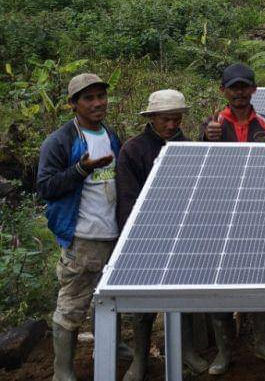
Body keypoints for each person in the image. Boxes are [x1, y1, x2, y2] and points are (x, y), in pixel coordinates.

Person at [116, 90, 210, 380]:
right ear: (152, 118)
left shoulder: (187, 146)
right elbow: (127, 199)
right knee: (143, 299)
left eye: (177, 119)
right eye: (166, 119)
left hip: (183, 233)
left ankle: (184, 350)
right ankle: (140, 358)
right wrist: (135, 236)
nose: (172, 125)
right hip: (144, 235)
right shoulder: (133, 150)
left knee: (182, 294)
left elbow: (198, 191)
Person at [201, 63, 265, 373]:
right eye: (232, 87)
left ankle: (263, 343)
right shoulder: (211, 126)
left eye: (244, 86)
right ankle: (224, 351)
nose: (238, 93)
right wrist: (206, 140)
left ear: (254, 89)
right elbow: (197, 172)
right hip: (220, 215)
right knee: (220, 282)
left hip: (259, 213)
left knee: (261, 280)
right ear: (223, 91)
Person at [37, 73, 123, 381]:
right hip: (83, 238)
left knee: (109, 299)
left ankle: (113, 347)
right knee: (72, 305)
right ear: (73, 104)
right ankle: (64, 372)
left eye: (101, 96)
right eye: (89, 98)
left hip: (113, 234)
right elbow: (46, 187)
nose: (98, 103)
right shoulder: (61, 141)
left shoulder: (109, 134)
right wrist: (81, 169)